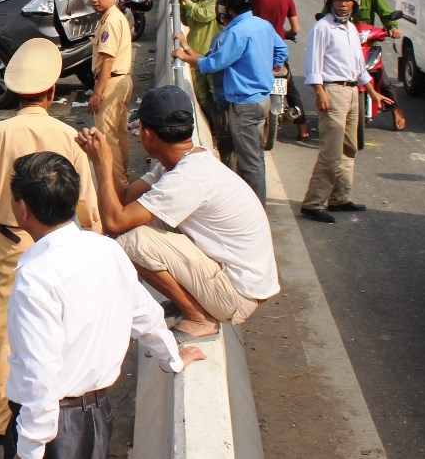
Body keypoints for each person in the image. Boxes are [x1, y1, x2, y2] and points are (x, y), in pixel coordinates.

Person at [0, 39, 103, 443]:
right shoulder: (69, 136)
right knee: (59, 327)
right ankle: (52, 406)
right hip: (65, 243)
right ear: (50, 91)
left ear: (16, 90)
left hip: (14, 243)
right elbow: (89, 208)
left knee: (4, 331)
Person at [3, 151, 205, 459]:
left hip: (56, 430)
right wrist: (173, 358)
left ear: (23, 208)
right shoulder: (106, 249)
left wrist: (29, 449)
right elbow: (145, 315)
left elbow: (40, 373)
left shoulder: (35, 277)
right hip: (97, 416)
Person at [76, 85, 281, 342]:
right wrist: (103, 160)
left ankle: (198, 317)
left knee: (131, 241)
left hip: (237, 296)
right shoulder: (184, 162)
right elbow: (126, 199)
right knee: (146, 223)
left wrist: (102, 165)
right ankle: (190, 303)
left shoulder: (187, 178)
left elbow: (115, 222)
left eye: (139, 130)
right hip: (240, 282)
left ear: (148, 134)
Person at [173, 0, 288, 204]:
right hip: (261, 100)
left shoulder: (234, 34)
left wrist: (185, 56)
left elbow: (212, 64)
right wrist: (270, 66)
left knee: (249, 161)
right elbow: (281, 49)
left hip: (243, 104)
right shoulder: (262, 25)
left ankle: (255, 210)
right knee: (253, 156)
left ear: (228, 8)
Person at [300, 0, 394, 223]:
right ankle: (313, 202)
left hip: (354, 92)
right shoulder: (323, 28)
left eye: (348, 1)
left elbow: (359, 68)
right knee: (331, 150)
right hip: (333, 91)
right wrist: (320, 93)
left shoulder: (351, 29)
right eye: (339, 0)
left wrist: (373, 93)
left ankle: (339, 197)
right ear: (330, 2)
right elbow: (313, 66)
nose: (343, 5)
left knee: (349, 147)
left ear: (355, 4)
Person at [332, 0, 407, 130]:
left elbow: (385, 14)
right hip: (342, 45)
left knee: (384, 80)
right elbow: (326, 13)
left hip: (366, 45)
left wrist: (392, 28)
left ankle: (396, 110)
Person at [250, 0, 311, 141]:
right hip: (277, 50)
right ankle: (303, 128)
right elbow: (296, 28)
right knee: (290, 87)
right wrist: (284, 34)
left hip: (257, 49)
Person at [85, 0, 134, 182]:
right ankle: (122, 177)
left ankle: (118, 184)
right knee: (118, 133)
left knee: (107, 138)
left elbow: (107, 60)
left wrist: (97, 93)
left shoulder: (111, 21)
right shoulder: (113, 17)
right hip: (120, 80)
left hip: (112, 81)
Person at [176, 0, 220, 120]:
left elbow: (204, 15)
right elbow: (187, 21)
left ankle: (221, 126)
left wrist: (186, 2)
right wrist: (180, 3)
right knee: (201, 94)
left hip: (211, 55)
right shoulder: (194, 0)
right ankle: (214, 124)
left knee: (215, 93)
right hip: (194, 54)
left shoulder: (215, 0)